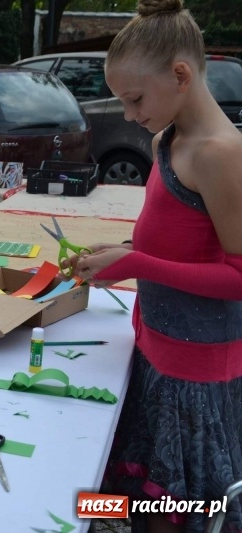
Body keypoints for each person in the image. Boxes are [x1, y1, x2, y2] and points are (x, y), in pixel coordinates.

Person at [66, 1, 242, 530]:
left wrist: (138, 263)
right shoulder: (168, 138)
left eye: (135, 99)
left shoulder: (221, 153)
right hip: (153, 348)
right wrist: (119, 253)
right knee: (131, 502)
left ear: (181, 76)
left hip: (196, 373)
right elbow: (177, 241)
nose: (128, 115)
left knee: (183, 510)